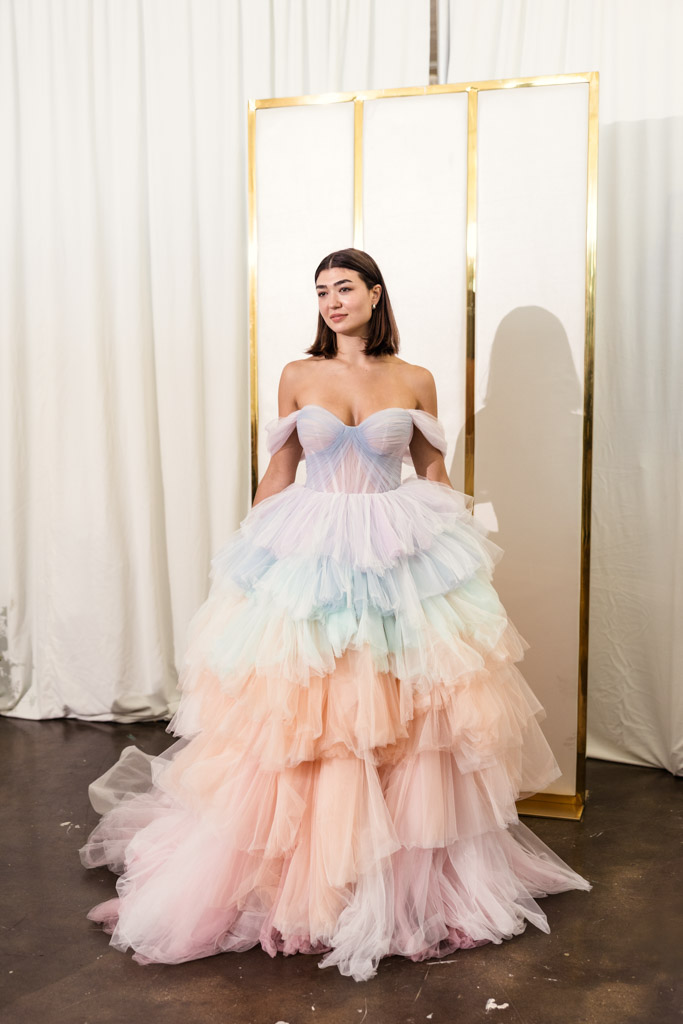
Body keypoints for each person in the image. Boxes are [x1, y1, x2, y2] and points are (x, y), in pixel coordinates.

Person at [79, 247, 591, 983]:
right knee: (312, 716)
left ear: (375, 294)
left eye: (344, 288)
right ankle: (308, 879)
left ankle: (396, 881)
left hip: (394, 548)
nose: (331, 301)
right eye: (321, 291)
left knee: (403, 716)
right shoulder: (297, 375)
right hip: (312, 548)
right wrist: (251, 560)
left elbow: (433, 471)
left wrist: (459, 546)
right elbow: (280, 472)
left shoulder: (414, 378)